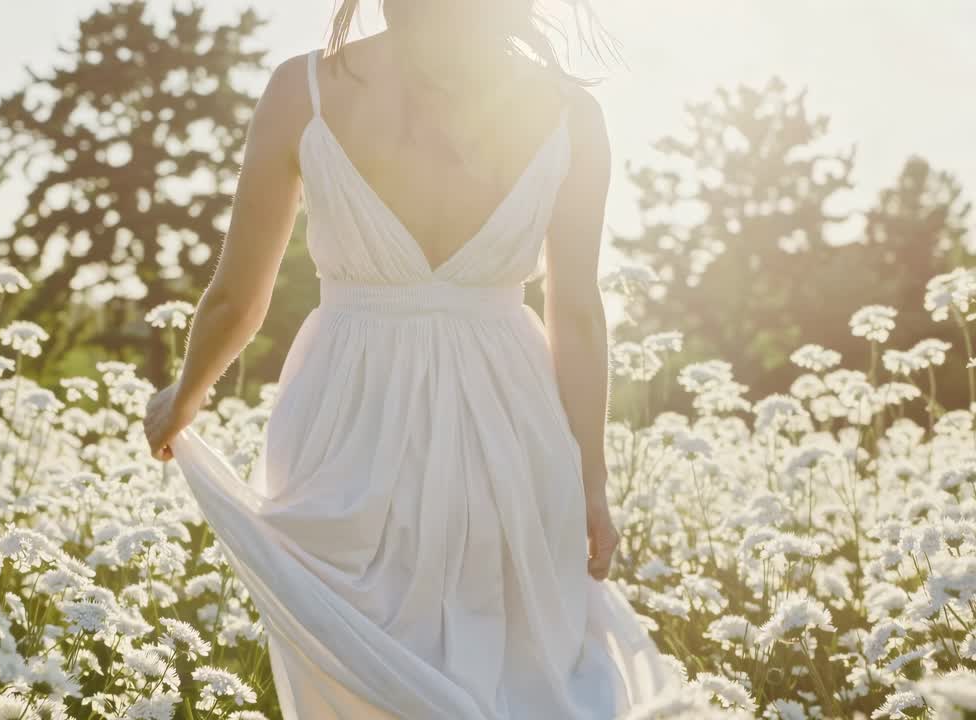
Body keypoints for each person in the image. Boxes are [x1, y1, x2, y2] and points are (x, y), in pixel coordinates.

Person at [144, 1, 683, 716]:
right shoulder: (570, 114)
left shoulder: (304, 88)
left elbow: (237, 298)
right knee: (509, 670)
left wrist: (183, 396)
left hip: (346, 414)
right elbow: (577, 313)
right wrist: (591, 481)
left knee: (359, 671)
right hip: (509, 419)